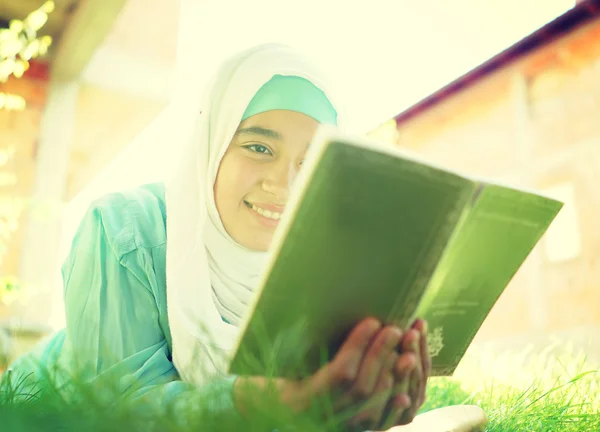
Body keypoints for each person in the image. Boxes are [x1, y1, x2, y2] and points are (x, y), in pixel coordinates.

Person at [3, 44, 430, 431]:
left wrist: (364, 401)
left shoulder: (318, 274)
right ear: (212, 146)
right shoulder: (125, 229)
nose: (283, 185)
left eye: (310, 159)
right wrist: (272, 402)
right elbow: (113, 413)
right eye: (259, 148)